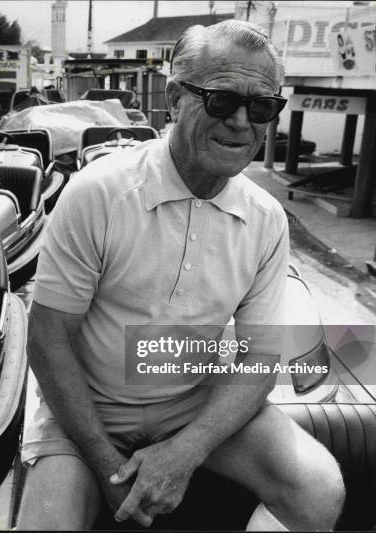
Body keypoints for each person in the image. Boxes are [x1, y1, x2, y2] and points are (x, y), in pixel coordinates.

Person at [17, 20, 345, 531]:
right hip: (87, 410)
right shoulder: (97, 195)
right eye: (220, 100)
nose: (241, 122)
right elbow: (48, 337)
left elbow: (259, 355)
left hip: (194, 404)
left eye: (261, 107)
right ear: (173, 98)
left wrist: (185, 452)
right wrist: (106, 464)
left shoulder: (265, 219)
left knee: (319, 491)